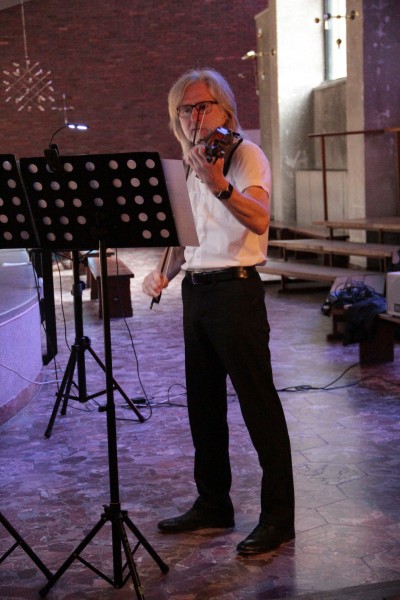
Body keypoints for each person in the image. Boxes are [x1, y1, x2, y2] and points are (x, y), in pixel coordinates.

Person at [142, 68, 295, 555]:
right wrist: (165, 272)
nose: (194, 116)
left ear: (224, 108)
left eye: (202, 105)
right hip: (197, 292)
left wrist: (220, 184)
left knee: (258, 407)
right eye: (185, 109)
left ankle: (279, 518)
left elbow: (260, 218)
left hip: (236, 291)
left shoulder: (245, 155)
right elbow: (187, 237)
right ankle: (213, 503)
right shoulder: (192, 164)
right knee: (203, 407)